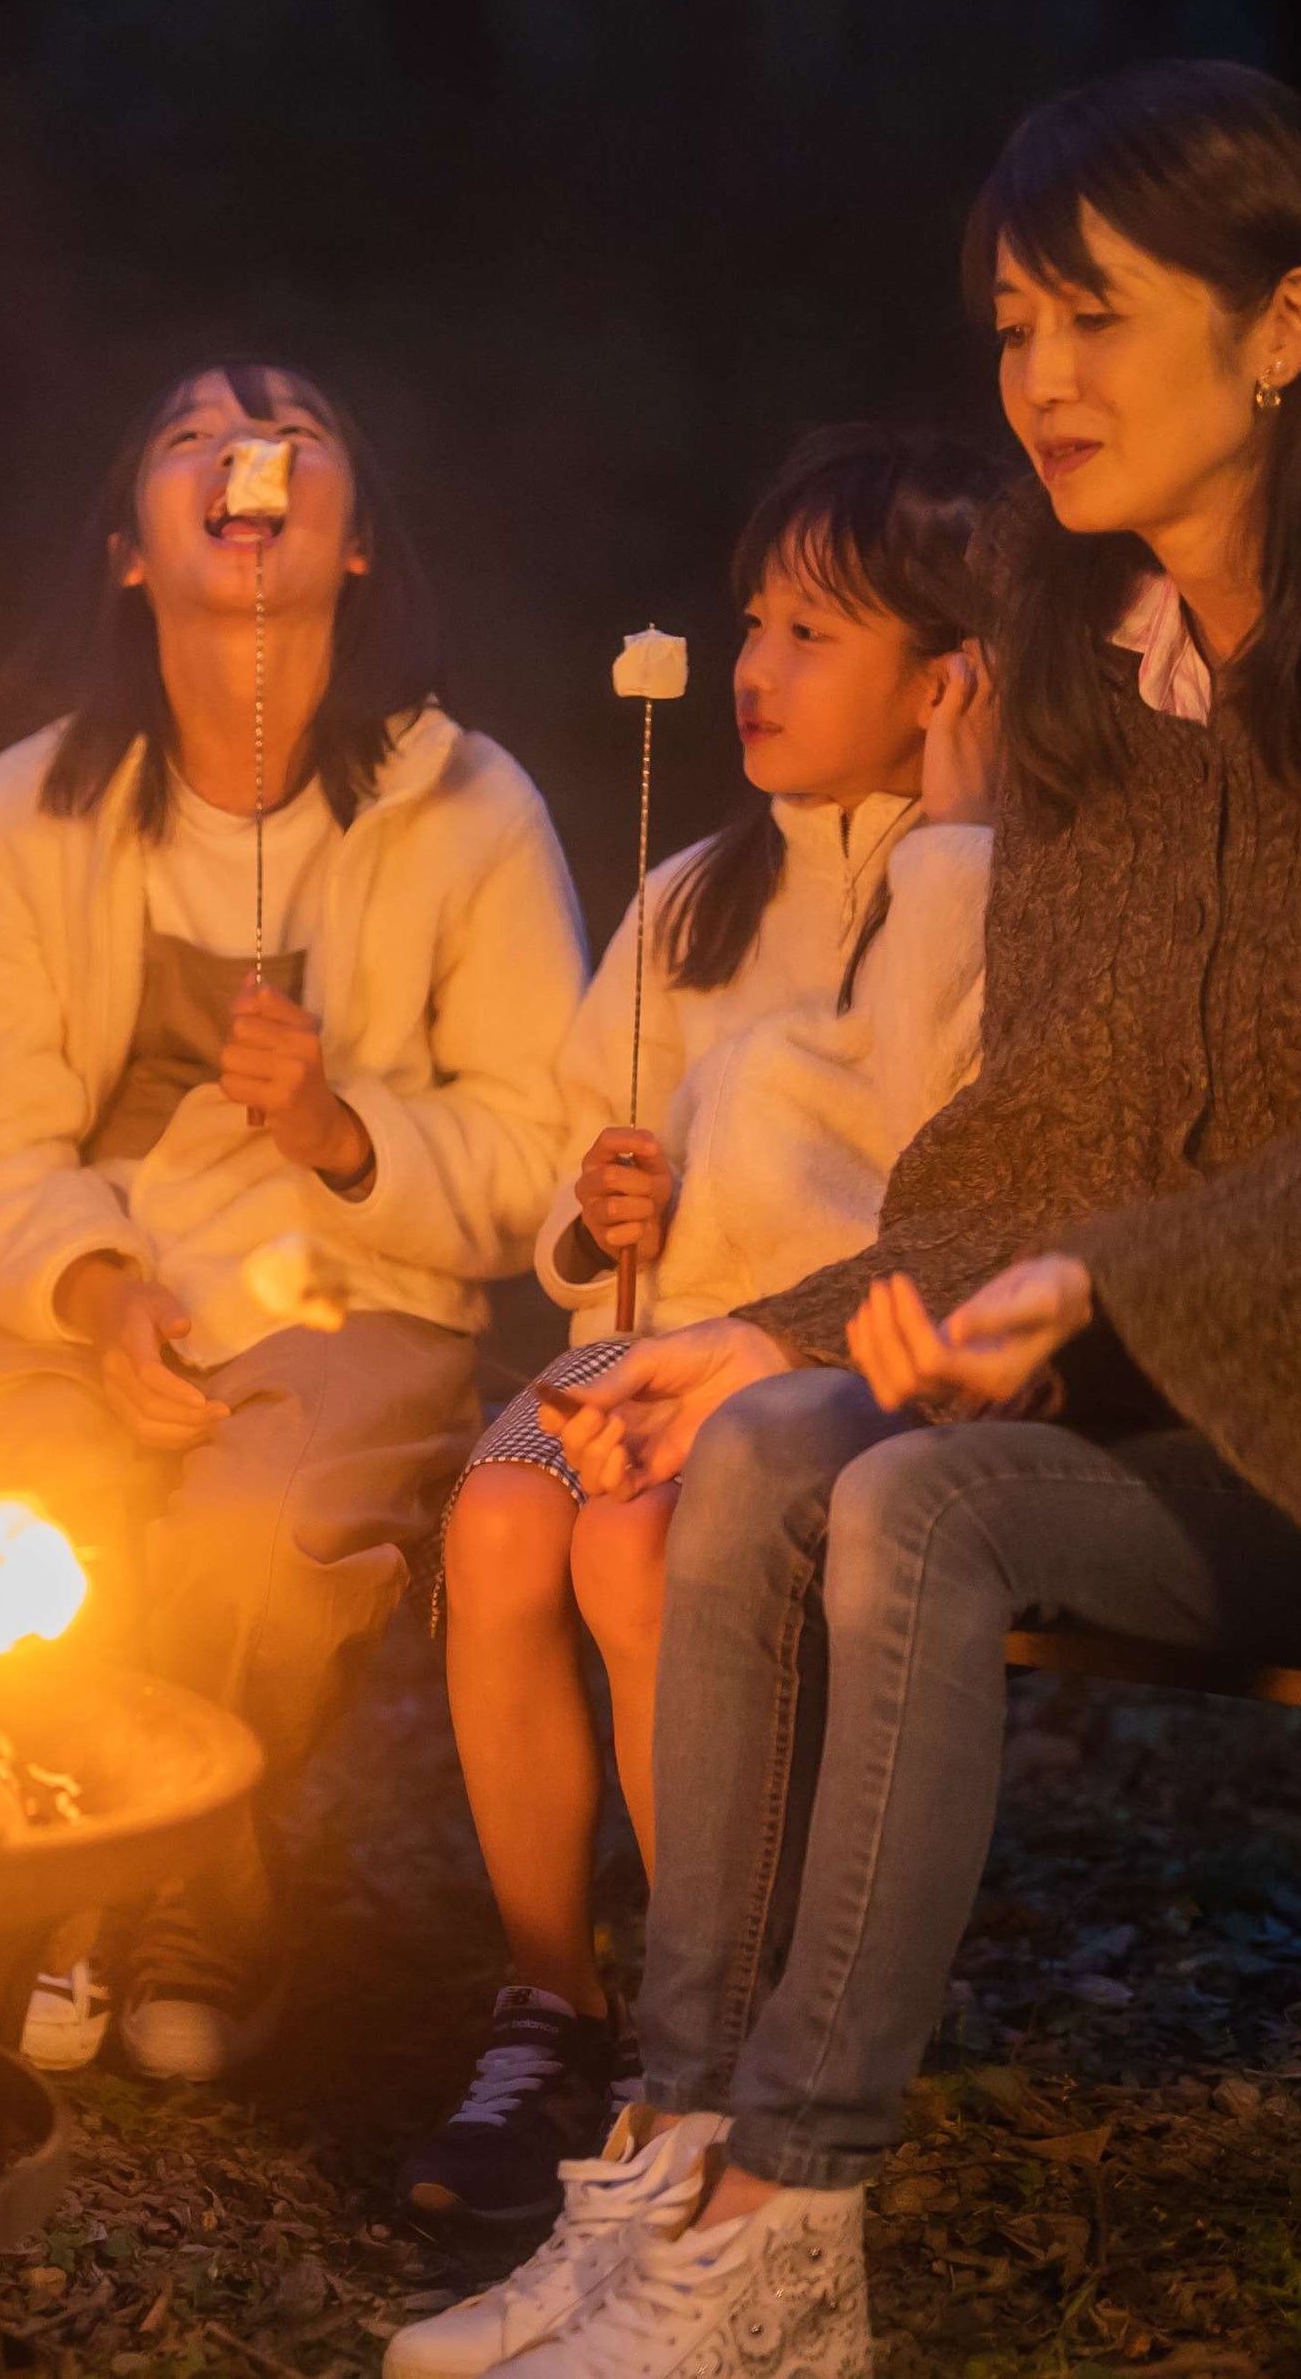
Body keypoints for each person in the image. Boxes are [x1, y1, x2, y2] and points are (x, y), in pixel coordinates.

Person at [392, 60, 1301, 2379]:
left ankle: (790, 2210)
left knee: (914, 1506)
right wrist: (793, 1320)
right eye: (1012, 325)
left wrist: (1102, 1285)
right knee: (756, 1447)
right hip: (1196, 1393)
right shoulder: (1108, 666)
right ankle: (681, 2150)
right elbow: (1064, 1123)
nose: (1036, 379)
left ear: (1289, 325)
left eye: (1094, 318)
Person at [0, 359, 587, 2083]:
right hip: (89, 1306)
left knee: (248, 1535)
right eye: (189, 435)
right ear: (130, 548)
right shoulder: (22, 810)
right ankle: (99, 1878)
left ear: (353, 548)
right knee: (42, 1508)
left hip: (356, 1300)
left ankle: (179, 1910)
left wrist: (342, 1131)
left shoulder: (469, 810)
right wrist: (103, 1289)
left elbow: (533, 1162)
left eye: (286, 433)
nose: (240, 454)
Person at [397, 426, 1003, 2247]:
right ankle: (546, 1996)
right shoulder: (685, 897)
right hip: (641, 1346)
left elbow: (946, 1151)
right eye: (753, 621)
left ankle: (710, 2010)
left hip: (819, 1363)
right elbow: (565, 1218)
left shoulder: (982, 893)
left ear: (943, 681)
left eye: (817, 632)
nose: (753, 667)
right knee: (503, 1515)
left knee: (631, 1545)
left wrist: (963, 840)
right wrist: (598, 1214)